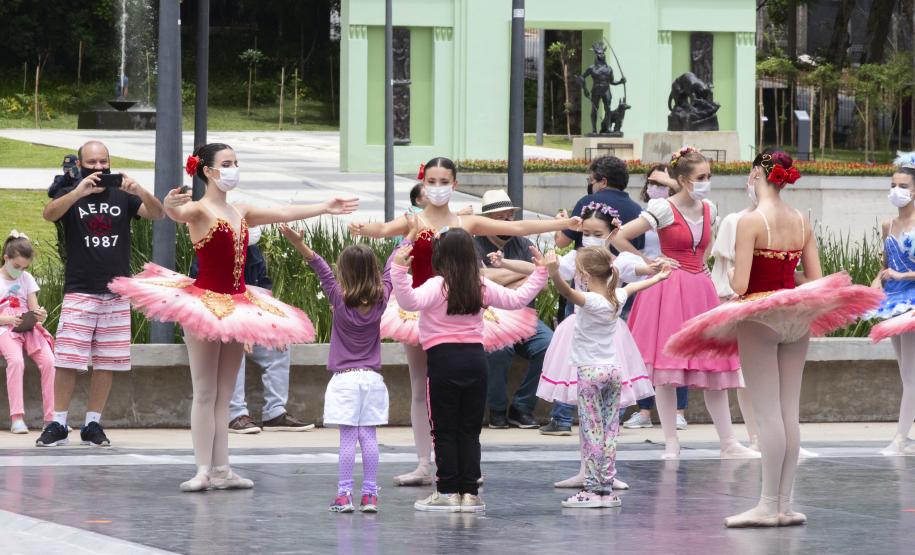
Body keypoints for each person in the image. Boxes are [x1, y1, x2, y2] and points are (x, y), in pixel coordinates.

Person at [109, 142, 356, 492]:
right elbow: (177, 214)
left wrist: (325, 206)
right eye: (226, 163)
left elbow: (284, 211)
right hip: (204, 305)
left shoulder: (241, 211)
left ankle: (222, 469)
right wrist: (168, 202)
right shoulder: (199, 210)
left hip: (240, 307)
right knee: (205, 391)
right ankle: (202, 469)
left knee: (224, 395)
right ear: (208, 171)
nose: (233, 168)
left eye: (235, 162)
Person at [666, 150, 881, 527]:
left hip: (759, 317)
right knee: (787, 412)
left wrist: (732, 268)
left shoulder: (750, 221)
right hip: (796, 317)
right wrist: (785, 274)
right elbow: (815, 281)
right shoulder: (801, 220)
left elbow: (740, 285)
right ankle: (784, 504)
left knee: (767, 415)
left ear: (756, 175)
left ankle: (768, 506)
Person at [350, 156, 581, 487]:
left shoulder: (466, 221)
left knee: (462, 392)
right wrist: (362, 228)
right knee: (420, 388)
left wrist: (563, 225)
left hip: (460, 308)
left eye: (444, 182)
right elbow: (383, 229)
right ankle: (424, 463)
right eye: (432, 181)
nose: (438, 187)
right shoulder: (413, 220)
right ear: (423, 184)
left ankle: (466, 464)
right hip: (419, 306)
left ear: (454, 184)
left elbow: (515, 228)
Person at [494, 203, 658, 490]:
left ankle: (605, 471)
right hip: (579, 337)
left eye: (598, 234)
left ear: (612, 233)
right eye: (587, 233)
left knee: (607, 413)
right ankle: (587, 469)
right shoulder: (575, 259)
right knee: (588, 412)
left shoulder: (618, 262)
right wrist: (506, 263)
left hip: (610, 340)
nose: (591, 238)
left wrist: (654, 267)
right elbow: (542, 270)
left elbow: (640, 270)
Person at [611, 146, 757, 460]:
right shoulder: (662, 209)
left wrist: (702, 267)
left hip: (699, 288)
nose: (706, 182)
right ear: (682, 179)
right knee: (666, 369)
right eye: (700, 177)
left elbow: (706, 247)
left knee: (714, 368)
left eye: (708, 176)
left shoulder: (709, 209)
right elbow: (619, 237)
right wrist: (649, 261)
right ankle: (671, 442)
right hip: (668, 289)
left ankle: (728, 442)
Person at [391, 227, 548, 512]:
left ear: (440, 256)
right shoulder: (480, 284)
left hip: (443, 361)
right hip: (476, 360)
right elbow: (517, 300)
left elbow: (408, 302)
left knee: (444, 429)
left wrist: (399, 271)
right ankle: (470, 492)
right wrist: (540, 272)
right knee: (469, 429)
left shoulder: (437, 286)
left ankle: (447, 491)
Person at [36, 140, 165, 448]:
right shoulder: (71, 191)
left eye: (103, 161)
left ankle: (93, 423)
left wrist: (139, 190)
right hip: (80, 288)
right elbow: (49, 214)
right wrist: (77, 192)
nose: (98, 167)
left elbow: (158, 213)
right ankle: (58, 423)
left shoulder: (122, 193)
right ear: (81, 164)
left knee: (107, 361)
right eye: (92, 162)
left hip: (116, 290)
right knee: (68, 360)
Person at [281, 225, 395, 514]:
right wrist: (409, 236)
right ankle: (370, 495)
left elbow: (318, 265)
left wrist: (298, 243)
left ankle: (344, 495)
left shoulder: (337, 296)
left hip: (344, 381)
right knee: (369, 436)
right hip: (372, 380)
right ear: (373, 270)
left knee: (347, 439)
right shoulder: (382, 298)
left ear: (344, 271)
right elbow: (393, 267)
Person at [545, 247, 669, 508]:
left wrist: (554, 272)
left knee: (591, 431)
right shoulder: (617, 296)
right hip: (614, 371)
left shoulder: (590, 300)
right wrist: (658, 277)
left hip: (590, 372)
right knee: (610, 430)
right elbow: (634, 287)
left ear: (585, 275)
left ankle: (592, 490)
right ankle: (606, 488)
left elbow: (565, 292)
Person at [188, 225, 313, 434]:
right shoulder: (209, 254)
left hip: (248, 324)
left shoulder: (254, 255)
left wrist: (272, 326)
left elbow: (263, 295)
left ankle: (275, 412)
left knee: (280, 346)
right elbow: (205, 303)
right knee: (233, 348)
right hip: (216, 327)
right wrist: (241, 329)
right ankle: (234, 414)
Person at [474, 189, 553, 429]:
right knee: (499, 351)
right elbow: (479, 280)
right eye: (500, 217)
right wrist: (522, 276)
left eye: (509, 216)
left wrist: (499, 277)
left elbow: (542, 282)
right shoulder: (473, 245)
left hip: (524, 316)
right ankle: (497, 410)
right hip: (490, 318)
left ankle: (522, 407)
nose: (506, 222)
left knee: (550, 345)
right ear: (486, 220)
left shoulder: (524, 244)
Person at [624, 163, 689, 430]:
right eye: (651, 182)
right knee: (646, 349)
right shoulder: (646, 214)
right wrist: (646, 261)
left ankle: (679, 411)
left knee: (677, 347)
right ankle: (645, 410)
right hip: (647, 285)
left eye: (661, 183)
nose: (654, 187)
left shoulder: (686, 210)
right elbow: (621, 238)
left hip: (677, 284)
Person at [867, 152, 915, 456]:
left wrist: (903, 274)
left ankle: (899, 439)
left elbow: (900, 269)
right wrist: (877, 280)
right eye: (893, 185)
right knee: (905, 373)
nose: (896, 190)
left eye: (903, 186)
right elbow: (885, 264)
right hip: (893, 300)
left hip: (913, 300)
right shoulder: (889, 225)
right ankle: (905, 438)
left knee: (910, 374)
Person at [0, 232, 53, 434]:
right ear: (6, 258)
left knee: (49, 361)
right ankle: (17, 417)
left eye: (25, 267)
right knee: (16, 361)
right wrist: (8, 320)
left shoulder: (26, 278)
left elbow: (33, 306)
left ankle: (51, 418)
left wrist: (40, 314)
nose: (20, 271)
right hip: (5, 328)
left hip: (27, 326)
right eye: (17, 266)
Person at [555, 154, 644, 252]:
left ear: (603, 182)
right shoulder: (638, 210)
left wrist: (561, 223)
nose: (590, 184)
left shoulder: (588, 203)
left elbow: (561, 242)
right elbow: (640, 248)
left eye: (591, 180)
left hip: (588, 261)